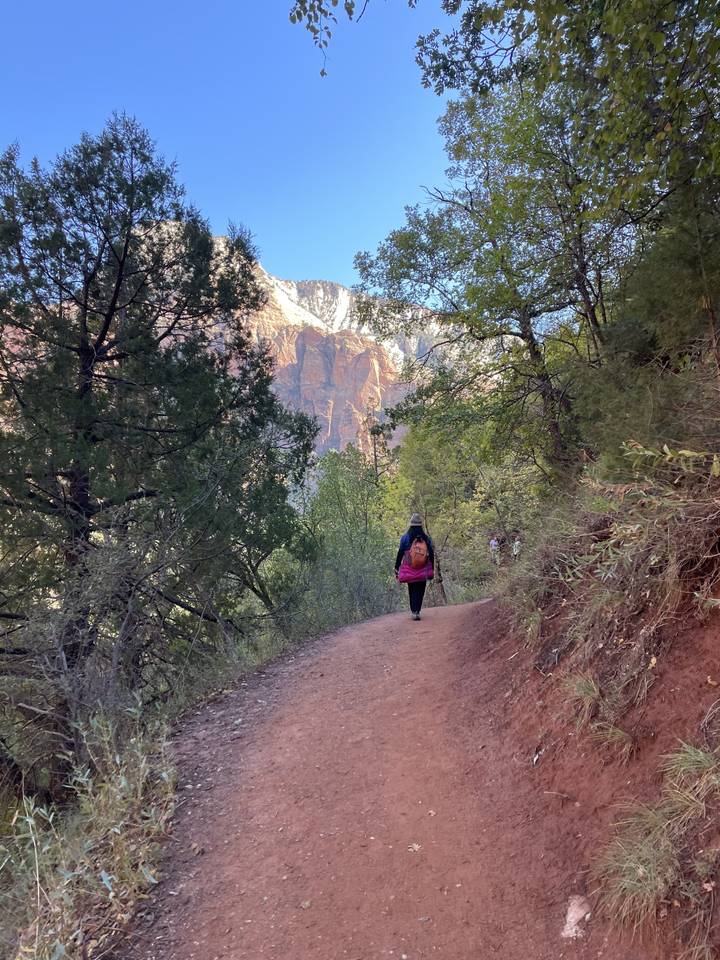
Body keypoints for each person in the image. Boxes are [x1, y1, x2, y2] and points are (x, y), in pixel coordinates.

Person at [395, 513, 435, 621]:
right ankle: (417, 611)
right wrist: (432, 567)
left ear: (411, 525)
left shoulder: (405, 538)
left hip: (409, 568)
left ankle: (413, 612)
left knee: (411, 589)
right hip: (423, 568)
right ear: (420, 525)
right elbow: (431, 553)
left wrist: (397, 567)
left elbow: (400, 553)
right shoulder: (426, 538)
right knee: (420, 590)